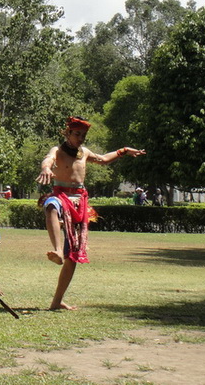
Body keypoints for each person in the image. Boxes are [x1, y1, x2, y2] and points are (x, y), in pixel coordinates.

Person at [36, 116, 145, 310]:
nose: (80, 138)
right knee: (51, 206)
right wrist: (46, 168)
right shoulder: (57, 151)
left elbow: (103, 159)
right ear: (67, 133)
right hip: (60, 196)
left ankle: (56, 301)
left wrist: (123, 151)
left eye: (83, 135)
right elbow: (48, 160)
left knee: (73, 256)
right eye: (77, 134)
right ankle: (57, 250)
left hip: (79, 201)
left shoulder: (84, 152)